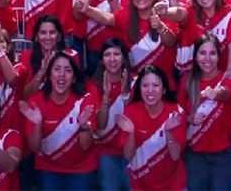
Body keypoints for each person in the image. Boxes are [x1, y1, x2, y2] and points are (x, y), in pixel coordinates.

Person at [18, 51, 98, 189]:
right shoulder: (36, 101)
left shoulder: (85, 99)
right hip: (48, 167)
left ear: (73, 78)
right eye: (57, 69)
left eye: (68, 70)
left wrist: (84, 125)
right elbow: (35, 147)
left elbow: (85, 145)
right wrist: (37, 125)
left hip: (81, 168)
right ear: (49, 76)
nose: (62, 74)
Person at [177, 34, 231, 190]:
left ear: (219, 56)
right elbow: (176, 113)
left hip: (224, 157)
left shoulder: (228, 78)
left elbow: (227, 92)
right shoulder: (187, 80)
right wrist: (189, 118)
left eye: (212, 53)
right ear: (196, 56)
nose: (207, 58)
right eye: (202, 53)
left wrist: (215, 93)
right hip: (195, 156)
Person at [116, 65, 187, 190]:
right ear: (139, 88)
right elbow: (127, 155)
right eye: (145, 85)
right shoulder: (130, 111)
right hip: (139, 185)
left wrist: (168, 133)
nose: (150, 90)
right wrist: (131, 132)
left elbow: (176, 155)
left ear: (164, 89)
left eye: (155, 85)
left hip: (173, 186)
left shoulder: (176, 111)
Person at [88, 38, 132, 191]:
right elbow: (100, 124)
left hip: (131, 149)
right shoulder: (93, 85)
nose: (112, 59)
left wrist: (126, 95)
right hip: (105, 150)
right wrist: (106, 98)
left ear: (124, 58)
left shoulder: (137, 82)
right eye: (107, 55)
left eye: (116, 54)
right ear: (101, 60)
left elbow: (135, 119)